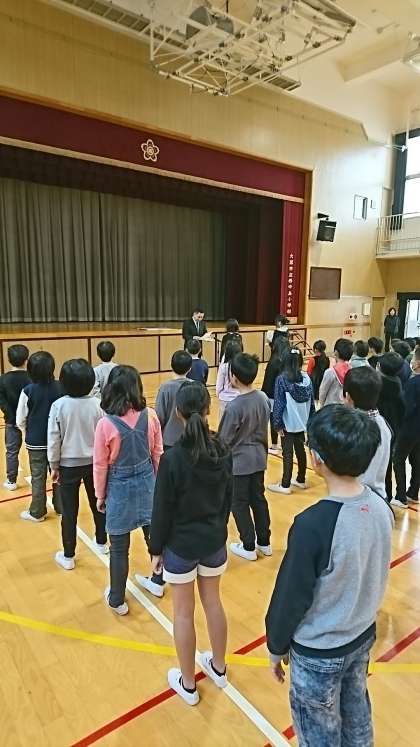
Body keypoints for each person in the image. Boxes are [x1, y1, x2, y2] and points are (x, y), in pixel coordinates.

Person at [266, 404, 394, 747]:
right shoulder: (380, 507)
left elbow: (291, 596)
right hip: (361, 635)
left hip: (319, 653)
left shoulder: (313, 525)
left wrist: (276, 645)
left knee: (318, 732)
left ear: (317, 459)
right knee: (357, 716)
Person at [149, 382, 232, 705]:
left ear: (177, 413)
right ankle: (219, 668)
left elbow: (162, 509)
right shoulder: (223, 450)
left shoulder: (173, 459)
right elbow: (228, 499)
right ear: (209, 410)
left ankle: (188, 684)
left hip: (181, 547)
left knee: (183, 613)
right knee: (214, 602)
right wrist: (218, 529)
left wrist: (156, 549)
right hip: (213, 541)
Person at [93, 366, 163, 614]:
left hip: (119, 488)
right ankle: (158, 580)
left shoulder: (105, 424)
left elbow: (100, 464)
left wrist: (100, 495)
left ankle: (117, 599)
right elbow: (157, 453)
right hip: (147, 482)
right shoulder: (151, 415)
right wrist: (157, 484)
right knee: (154, 536)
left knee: (119, 548)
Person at [48, 359, 107, 570]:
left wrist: (54, 465)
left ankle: (68, 555)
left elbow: (53, 438)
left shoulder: (59, 405)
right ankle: (102, 542)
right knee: (98, 503)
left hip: (67, 465)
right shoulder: (98, 404)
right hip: (95, 463)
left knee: (69, 511)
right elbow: (104, 436)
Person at [218, 353, 271, 561]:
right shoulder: (262, 398)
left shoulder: (235, 406)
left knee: (239, 503)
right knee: (258, 499)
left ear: (234, 377)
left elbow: (224, 439)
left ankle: (248, 544)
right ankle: (264, 542)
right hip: (259, 458)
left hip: (239, 463)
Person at [16, 351, 62, 521]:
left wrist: (28, 432)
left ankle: (37, 512)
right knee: (59, 475)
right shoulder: (61, 387)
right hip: (58, 441)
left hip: (36, 443)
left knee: (38, 478)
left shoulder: (28, 390)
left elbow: (20, 419)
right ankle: (61, 507)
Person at [268, 349, 315, 495]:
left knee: (287, 453)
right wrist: (310, 421)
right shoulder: (307, 379)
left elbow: (279, 403)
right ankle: (301, 479)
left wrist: (277, 424)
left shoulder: (282, 380)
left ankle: (285, 484)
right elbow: (312, 404)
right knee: (300, 450)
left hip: (288, 423)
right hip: (302, 422)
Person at [343, 367, 391, 501]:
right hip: (378, 495)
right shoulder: (382, 423)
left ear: (348, 397)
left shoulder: (357, 429)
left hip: (361, 499)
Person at [391, 347, 420, 508]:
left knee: (398, 458)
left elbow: (406, 408)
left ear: (418, 363)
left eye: (414, 359)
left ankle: (401, 495)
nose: (411, 362)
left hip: (409, 427)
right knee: (417, 459)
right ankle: (413, 492)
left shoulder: (413, 383)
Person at [0, 344, 30, 490]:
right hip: (31, 420)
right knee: (35, 450)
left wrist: (11, 416)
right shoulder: (32, 377)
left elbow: (2, 402)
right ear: (26, 359)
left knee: (11, 451)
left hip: (11, 421)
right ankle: (39, 476)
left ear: (9, 359)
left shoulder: (3, 379)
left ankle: (11, 481)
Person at [377, 352, 405, 502]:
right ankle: (387, 494)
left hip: (380, 428)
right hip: (394, 429)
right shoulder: (397, 382)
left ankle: (382, 494)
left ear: (379, 366)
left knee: (378, 464)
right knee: (386, 464)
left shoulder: (378, 385)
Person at [155, 351, 192, 449]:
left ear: (171, 366)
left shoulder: (165, 388)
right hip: (191, 437)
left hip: (169, 439)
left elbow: (159, 416)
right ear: (190, 368)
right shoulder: (196, 386)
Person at [261, 337, 290, 454]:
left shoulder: (274, 361)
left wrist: (264, 393)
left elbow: (268, 380)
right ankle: (284, 445)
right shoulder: (288, 361)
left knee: (274, 419)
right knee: (283, 419)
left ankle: (274, 445)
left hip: (273, 395)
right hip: (285, 395)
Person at [319, 338, 353, 406]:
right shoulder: (352, 370)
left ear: (336, 352)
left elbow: (322, 392)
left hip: (330, 407)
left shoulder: (330, 372)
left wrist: (322, 405)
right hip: (345, 407)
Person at [215, 340, 243, 419]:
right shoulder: (241, 366)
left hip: (225, 399)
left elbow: (219, 385)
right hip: (238, 398)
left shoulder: (224, 367)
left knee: (224, 423)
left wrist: (219, 395)